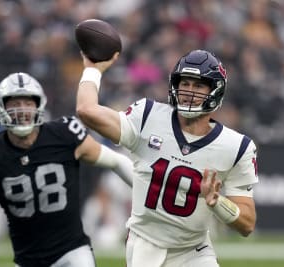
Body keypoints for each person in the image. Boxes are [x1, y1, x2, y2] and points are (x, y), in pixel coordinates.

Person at [76, 49, 259, 267]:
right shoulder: (147, 116)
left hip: (194, 250)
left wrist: (218, 203)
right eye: (185, 84)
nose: (189, 92)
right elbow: (87, 110)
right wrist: (92, 70)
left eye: (199, 85)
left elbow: (247, 224)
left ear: (215, 91)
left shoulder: (237, 147)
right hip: (145, 246)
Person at [0, 72, 134, 267]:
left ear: (39, 105)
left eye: (28, 103)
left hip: (72, 252)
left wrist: (150, 191)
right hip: (27, 259)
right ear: (1, 107)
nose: (22, 110)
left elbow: (116, 161)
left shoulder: (64, 134)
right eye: (14, 104)